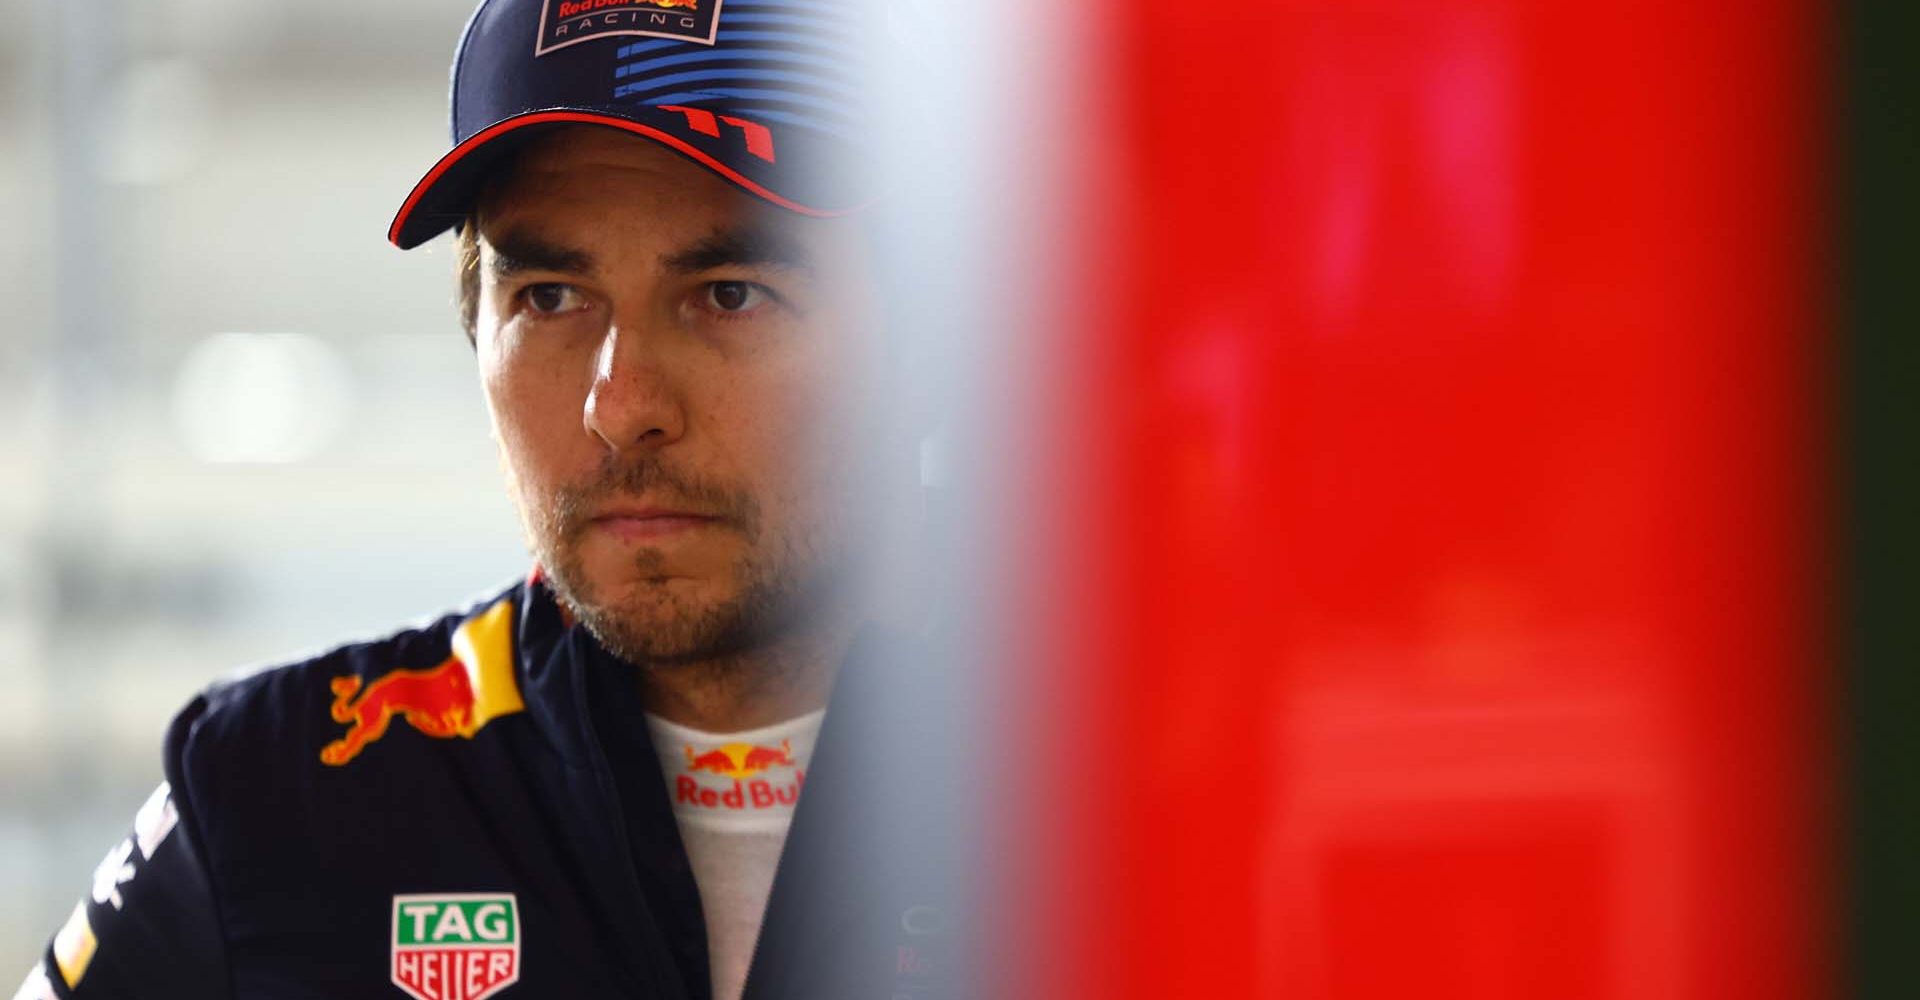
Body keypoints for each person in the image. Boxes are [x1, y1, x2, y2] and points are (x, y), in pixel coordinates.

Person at [18, 1, 969, 997]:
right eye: (551, 298)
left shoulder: (1126, 789)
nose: (621, 404)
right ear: (476, 326)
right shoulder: (271, 797)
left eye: (730, 292)